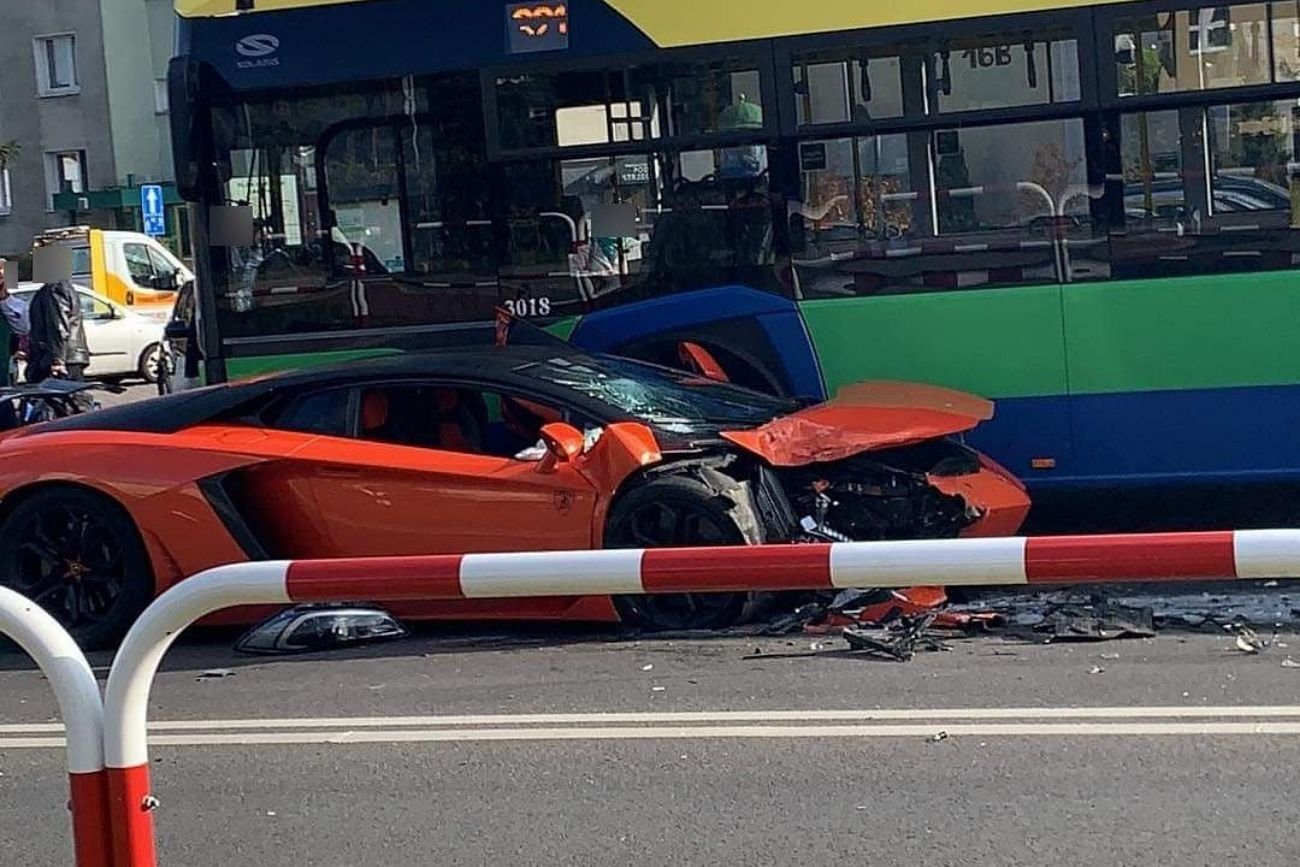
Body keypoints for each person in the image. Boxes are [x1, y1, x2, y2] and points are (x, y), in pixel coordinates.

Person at [26, 278, 88, 383]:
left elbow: (58, 326)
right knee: (69, 395)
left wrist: (57, 360)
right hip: (66, 357)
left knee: (61, 395)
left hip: (58, 358)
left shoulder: (54, 288)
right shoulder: (62, 287)